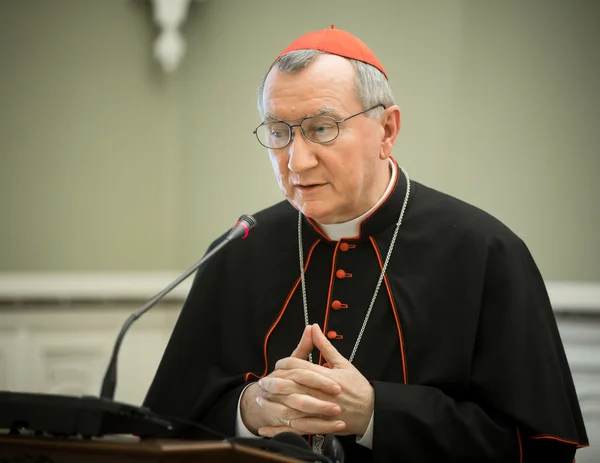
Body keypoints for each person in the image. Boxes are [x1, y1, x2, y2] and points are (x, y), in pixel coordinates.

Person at [143, 26, 589, 462]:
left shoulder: (486, 252)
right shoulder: (240, 248)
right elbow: (163, 422)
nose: (296, 160)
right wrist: (250, 410)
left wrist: (377, 414)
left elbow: (537, 447)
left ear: (387, 131)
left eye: (322, 128)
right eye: (279, 132)